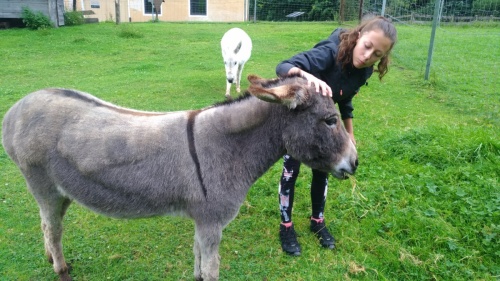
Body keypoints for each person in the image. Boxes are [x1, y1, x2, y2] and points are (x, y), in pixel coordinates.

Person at [276, 16, 398, 256]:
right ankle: (286, 226)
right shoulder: (330, 53)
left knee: (324, 170)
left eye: (377, 55)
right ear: (358, 36)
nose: (367, 56)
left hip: (325, 125)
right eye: (367, 46)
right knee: (291, 170)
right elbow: (282, 66)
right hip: (300, 124)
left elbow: (345, 97)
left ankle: (317, 221)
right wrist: (308, 77)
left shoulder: (364, 72)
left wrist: (350, 132)